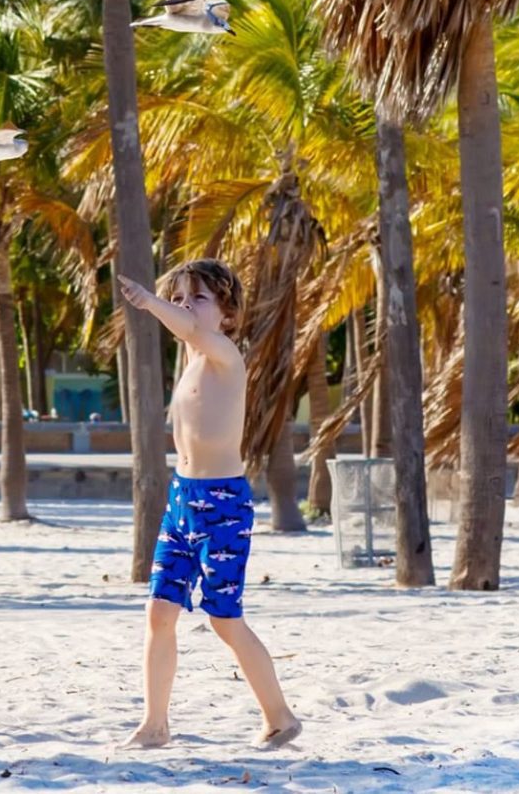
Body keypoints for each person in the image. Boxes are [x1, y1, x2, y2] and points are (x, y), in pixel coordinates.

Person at [116, 259, 302, 749]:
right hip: (182, 499)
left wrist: (150, 301)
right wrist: (166, 306)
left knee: (224, 618)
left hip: (222, 502)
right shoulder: (193, 364)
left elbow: (191, 331)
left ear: (227, 314)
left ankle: (279, 717)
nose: (185, 308)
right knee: (159, 612)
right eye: (179, 298)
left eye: (197, 299)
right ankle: (155, 724)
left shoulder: (224, 354)